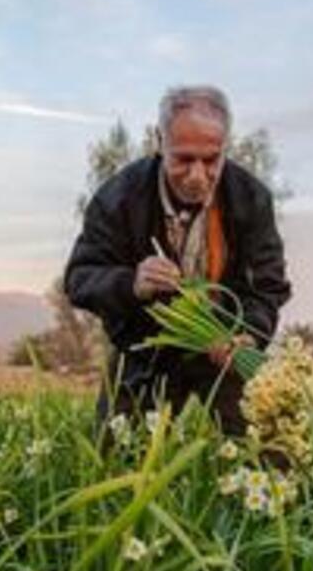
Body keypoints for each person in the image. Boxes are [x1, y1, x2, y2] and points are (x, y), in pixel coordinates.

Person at [64, 85, 291, 439]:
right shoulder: (118, 198)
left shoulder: (251, 199)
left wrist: (248, 332)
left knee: (269, 453)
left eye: (211, 159)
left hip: (224, 349)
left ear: (225, 146)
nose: (198, 176)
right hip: (144, 350)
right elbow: (80, 279)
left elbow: (267, 284)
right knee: (114, 456)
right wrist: (131, 283)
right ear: (159, 141)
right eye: (184, 159)